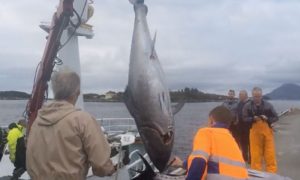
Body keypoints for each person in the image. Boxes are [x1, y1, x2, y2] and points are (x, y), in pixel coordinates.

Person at [26, 69, 115, 180]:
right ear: (76, 92)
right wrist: (110, 169)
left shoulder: (38, 121)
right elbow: (101, 165)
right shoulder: (82, 120)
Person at [186, 105, 248, 180]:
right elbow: (218, 162)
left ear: (212, 120)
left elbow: (199, 161)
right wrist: (184, 164)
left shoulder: (206, 132)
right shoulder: (230, 138)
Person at [243, 87, 278, 173]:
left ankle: (272, 175)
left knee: (270, 154)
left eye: (259, 96)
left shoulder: (268, 105)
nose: (257, 98)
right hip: (254, 133)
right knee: (255, 156)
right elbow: (244, 118)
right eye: (255, 96)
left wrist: (267, 119)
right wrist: (252, 119)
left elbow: (276, 117)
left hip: (267, 132)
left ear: (262, 96)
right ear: (252, 96)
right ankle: (256, 175)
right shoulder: (247, 106)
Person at [237, 90, 251, 163]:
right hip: (240, 126)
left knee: (250, 143)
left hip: (248, 126)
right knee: (243, 143)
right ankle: (244, 157)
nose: (239, 96)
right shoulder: (239, 103)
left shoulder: (250, 103)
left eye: (241, 95)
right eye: (239, 95)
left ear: (246, 95)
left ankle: (251, 159)